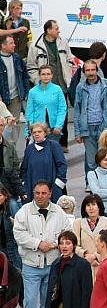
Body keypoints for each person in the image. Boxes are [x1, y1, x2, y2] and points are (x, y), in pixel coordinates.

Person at [13, 181, 69, 308]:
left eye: (44, 193)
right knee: (30, 302)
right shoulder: (24, 212)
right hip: (31, 264)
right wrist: (38, 243)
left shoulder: (58, 212)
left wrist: (52, 244)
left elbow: (66, 232)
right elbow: (19, 235)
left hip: (51, 264)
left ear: (50, 193)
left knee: (47, 303)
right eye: (37, 193)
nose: (40, 196)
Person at [27, 20, 74, 151]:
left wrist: (68, 73)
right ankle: (43, 142)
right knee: (45, 114)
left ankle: (62, 144)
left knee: (61, 113)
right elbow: (31, 66)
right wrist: (39, 81)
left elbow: (70, 59)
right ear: (48, 30)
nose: (59, 31)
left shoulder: (63, 42)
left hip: (61, 84)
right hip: (43, 88)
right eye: (56, 28)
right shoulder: (35, 46)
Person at [72, 194, 107, 282]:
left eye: (93, 205)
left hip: (104, 265)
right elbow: (74, 245)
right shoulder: (78, 223)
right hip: (84, 266)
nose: (91, 208)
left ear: (99, 207)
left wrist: (95, 257)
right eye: (88, 205)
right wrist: (85, 255)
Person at [20, 122, 68, 202]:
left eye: (39, 132)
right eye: (34, 132)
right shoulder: (29, 149)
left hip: (52, 187)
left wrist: (58, 183)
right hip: (33, 188)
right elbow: (24, 168)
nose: (37, 134)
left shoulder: (53, 146)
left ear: (45, 133)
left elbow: (62, 165)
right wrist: (25, 184)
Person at [25, 64, 66, 142]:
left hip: (54, 128)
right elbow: (29, 112)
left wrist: (59, 125)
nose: (46, 76)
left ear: (52, 75)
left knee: (53, 151)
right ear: (39, 76)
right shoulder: (33, 92)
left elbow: (62, 109)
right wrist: (27, 131)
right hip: (38, 128)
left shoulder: (57, 89)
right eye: (43, 74)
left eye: (48, 74)